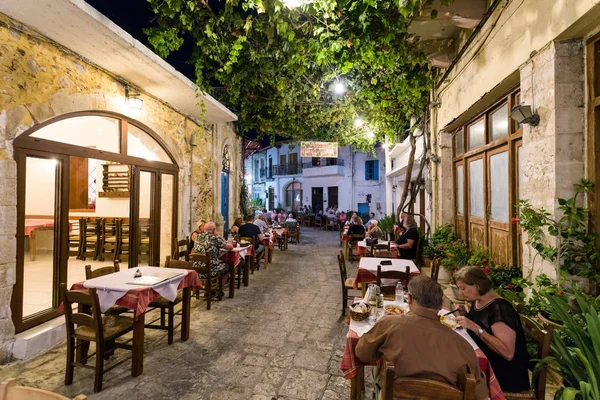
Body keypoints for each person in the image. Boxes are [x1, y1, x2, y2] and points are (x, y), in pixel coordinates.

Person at [356, 275, 488, 400]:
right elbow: (479, 394)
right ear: (441, 304)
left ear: (409, 299)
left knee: (378, 372)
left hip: (395, 396)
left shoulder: (390, 324)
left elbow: (363, 354)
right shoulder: (463, 346)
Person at [454, 266, 531, 393]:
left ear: (477, 286)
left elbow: (508, 353)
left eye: (463, 288)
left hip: (504, 373)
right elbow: (482, 324)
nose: (461, 292)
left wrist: (474, 327)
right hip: (486, 359)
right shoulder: (477, 300)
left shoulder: (499, 309)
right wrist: (465, 316)